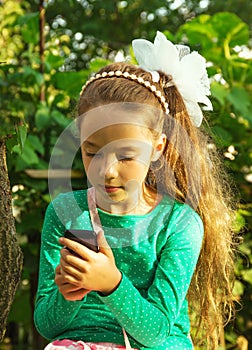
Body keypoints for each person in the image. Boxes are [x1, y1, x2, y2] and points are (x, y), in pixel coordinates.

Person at [34, 31, 236, 350]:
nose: (107, 170)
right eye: (91, 151)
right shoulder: (65, 213)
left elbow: (156, 332)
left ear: (157, 148)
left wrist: (110, 283)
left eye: (126, 155)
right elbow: (48, 325)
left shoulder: (179, 224)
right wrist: (70, 292)